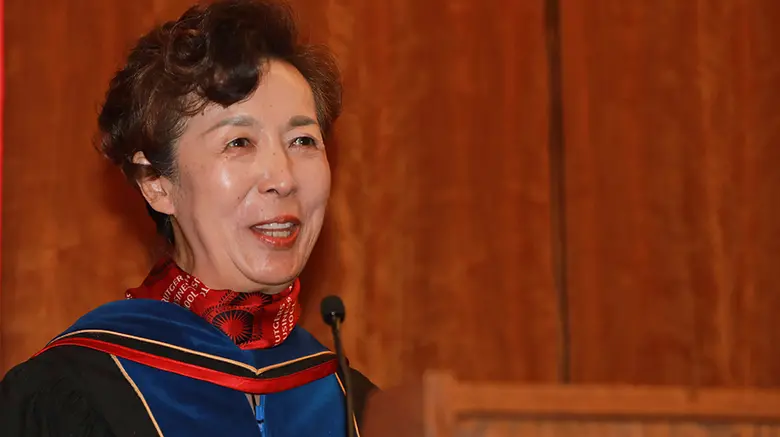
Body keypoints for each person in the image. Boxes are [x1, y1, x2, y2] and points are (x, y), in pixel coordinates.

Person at [0, 0, 377, 435]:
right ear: (156, 183)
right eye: (239, 142)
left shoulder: (356, 407)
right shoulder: (77, 395)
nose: (283, 177)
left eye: (303, 140)